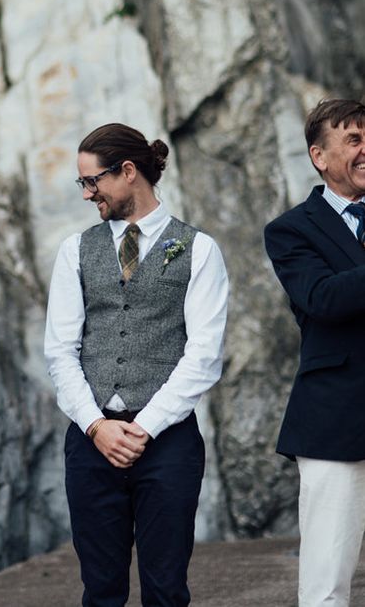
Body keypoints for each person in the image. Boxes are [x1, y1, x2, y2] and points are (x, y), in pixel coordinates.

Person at [44, 123, 228, 606]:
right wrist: (95, 426)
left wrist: (144, 427)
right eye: (82, 183)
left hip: (168, 444)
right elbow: (61, 350)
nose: (87, 193)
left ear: (128, 172)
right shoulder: (74, 251)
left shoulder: (200, 249)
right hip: (91, 443)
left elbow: (204, 356)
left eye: (93, 181)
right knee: (101, 589)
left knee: (166, 590)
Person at [264, 98, 365, 607]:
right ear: (319, 156)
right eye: (353, 139)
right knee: (327, 581)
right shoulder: (291, 229)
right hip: (335, 420)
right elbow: (322, 298)